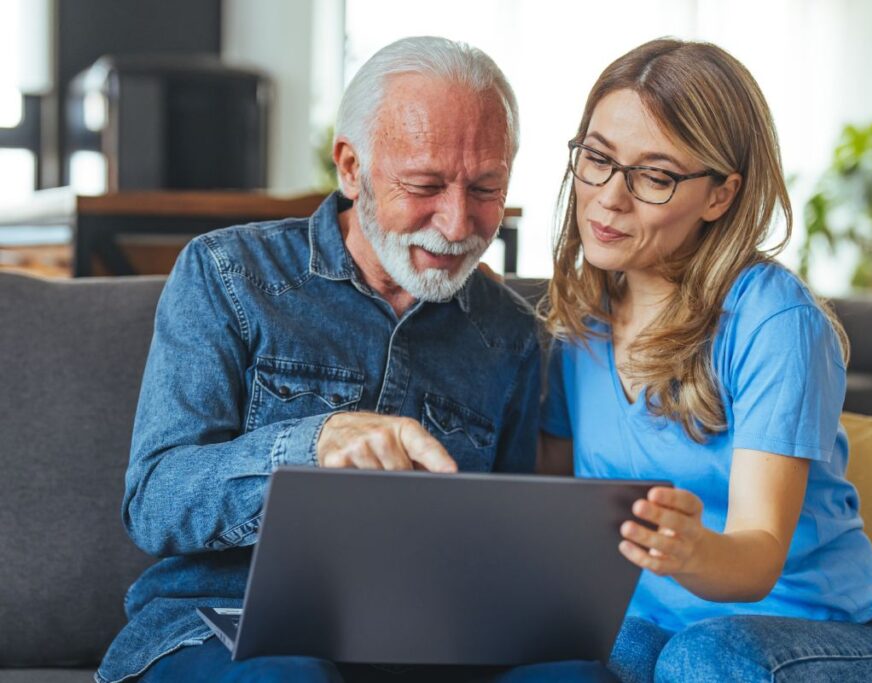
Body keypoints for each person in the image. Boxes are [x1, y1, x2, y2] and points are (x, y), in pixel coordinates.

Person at [97, 36, 614, 683]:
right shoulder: (228, 273)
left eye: (486, 187)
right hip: (214, 624)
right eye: (425, 185)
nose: (458, 225)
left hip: (426, 644)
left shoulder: (509, 333)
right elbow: (155, 501)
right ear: (350, 166)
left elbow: (501, 550)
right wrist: (314, 444)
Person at [539, 39, 872, 683]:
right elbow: (541, 496)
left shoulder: (772, 319)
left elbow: (758, 558)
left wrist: (691, 550)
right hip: (664, 634)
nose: (610, 196)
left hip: (825, 640)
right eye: (598, 159)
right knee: (591, 652)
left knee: (704, 658)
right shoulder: (579, 324)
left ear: (719, 195)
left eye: (655, 176)